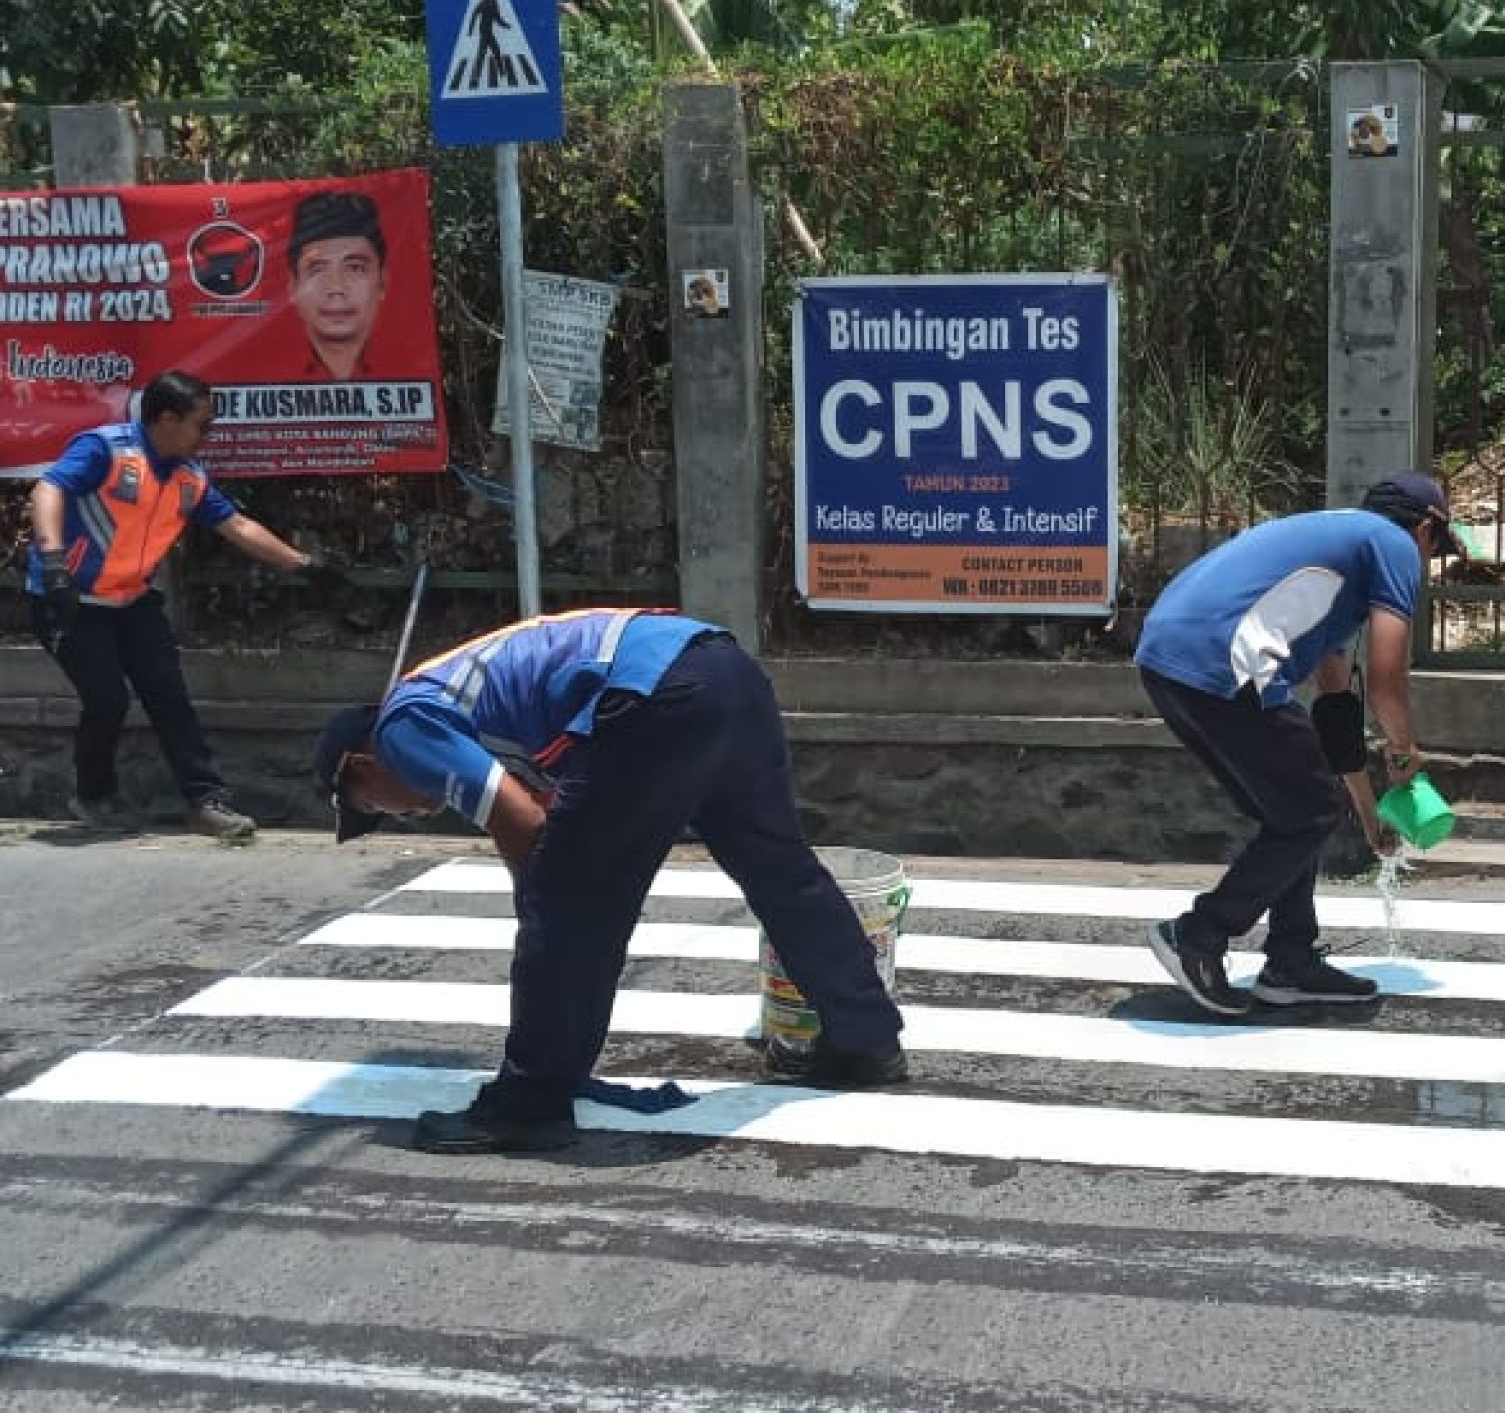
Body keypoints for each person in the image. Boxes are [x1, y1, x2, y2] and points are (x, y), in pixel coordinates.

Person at [314, 607, 908, 1155]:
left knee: (567, 901)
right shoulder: (451, 695)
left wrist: (546, 911)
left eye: (374, 805)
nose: (404, 811)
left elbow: (522, 823)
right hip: (723, 668)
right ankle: (866, 1040)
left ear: (360, 766)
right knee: (780, 869)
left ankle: (530, 1102)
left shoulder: (404, 725)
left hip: (653, 692)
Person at [1133, 471, 1461, 1018]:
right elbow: (1386, 682)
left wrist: (1365, 811)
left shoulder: (1337, 552)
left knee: (1296, 813)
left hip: (1170, 658)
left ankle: (1290, 961)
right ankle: (1199, 934)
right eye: (1436, 548)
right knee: (1304, 815)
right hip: (1223, 663)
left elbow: (1336, 707)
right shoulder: (1394, 546)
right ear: (1426, 528)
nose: (1426, 563)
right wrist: (1406, 758)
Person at [26, 369, 332, 842]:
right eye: (202, 425)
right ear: (167, 420)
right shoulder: (105, 449)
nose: (207, 436)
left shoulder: (189, 478)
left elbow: (237, 526)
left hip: (132, 599)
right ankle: (94, 794)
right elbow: (48, 490)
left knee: (170, 696)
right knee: (107, 700)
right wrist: (52, 562)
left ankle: (207, 801)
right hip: (69, 600)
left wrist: (304, 565)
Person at [288, 189, 388, 382]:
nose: (336, 289)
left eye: (355, 268)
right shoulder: (265, 370)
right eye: (318, 269)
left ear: (382, 282)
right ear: (293, 287)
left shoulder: (408, 364)